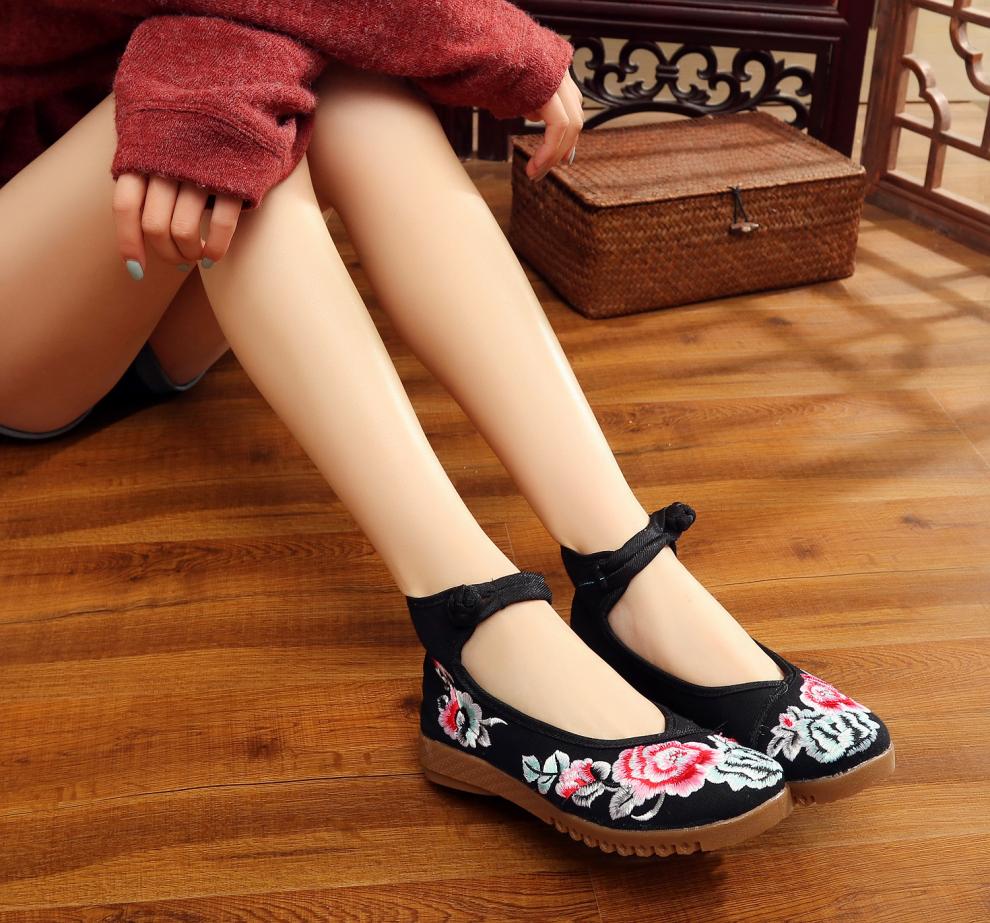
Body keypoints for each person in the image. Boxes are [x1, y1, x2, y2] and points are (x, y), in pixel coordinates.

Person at [0, 1, 892, 856]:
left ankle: (624, 566)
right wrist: (501, 44)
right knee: (220, 98)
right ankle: (471, 617)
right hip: (32, 296)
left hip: (153, 255)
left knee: (325, 87)